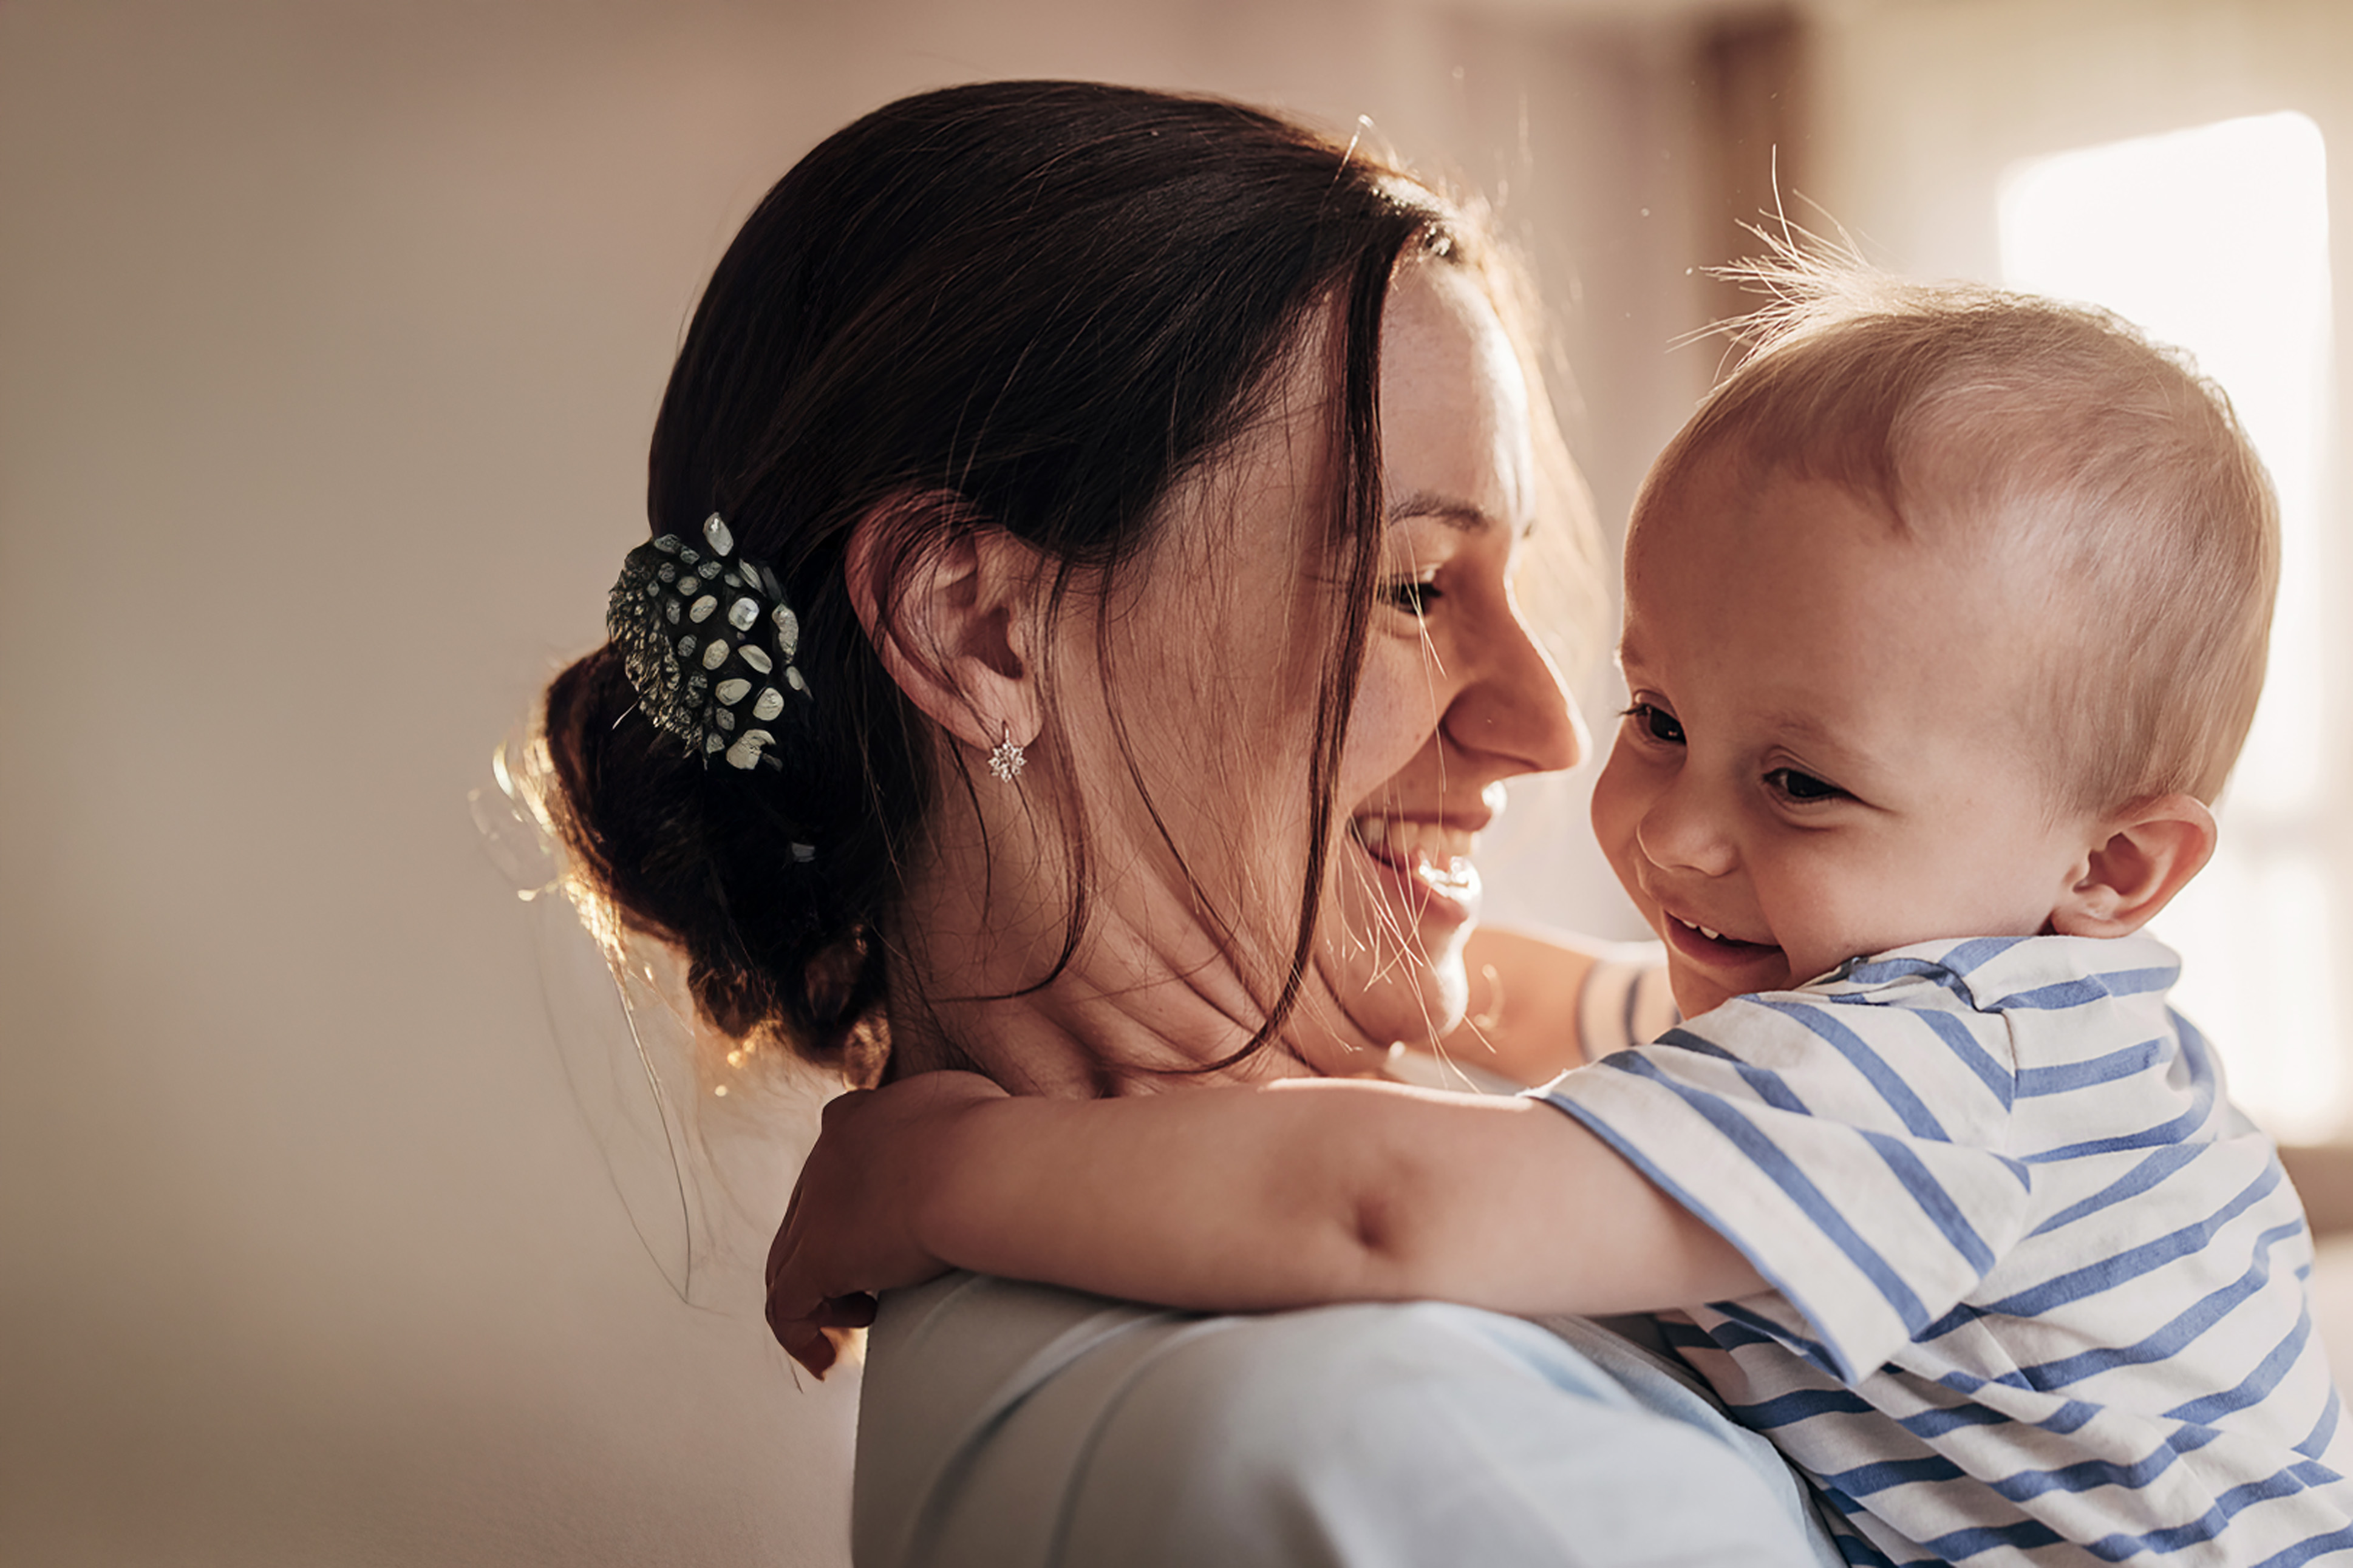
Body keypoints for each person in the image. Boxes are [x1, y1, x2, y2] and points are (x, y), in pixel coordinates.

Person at [769, 265, 2353, 1564]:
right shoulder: (1877, 1013)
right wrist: (1376, 937)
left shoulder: (1940, 1078)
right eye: (1655, 716)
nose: (1662, 826)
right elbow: (1538, 1004)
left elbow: (1381, 1211)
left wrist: (941, 1174)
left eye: (1798, 782)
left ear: (2112, 870)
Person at [543, 81, 1842, 1567]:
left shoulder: (1037, 1342)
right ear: (979, 629)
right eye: (1412, 586)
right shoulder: (1372, 1451)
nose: (1550, 728)